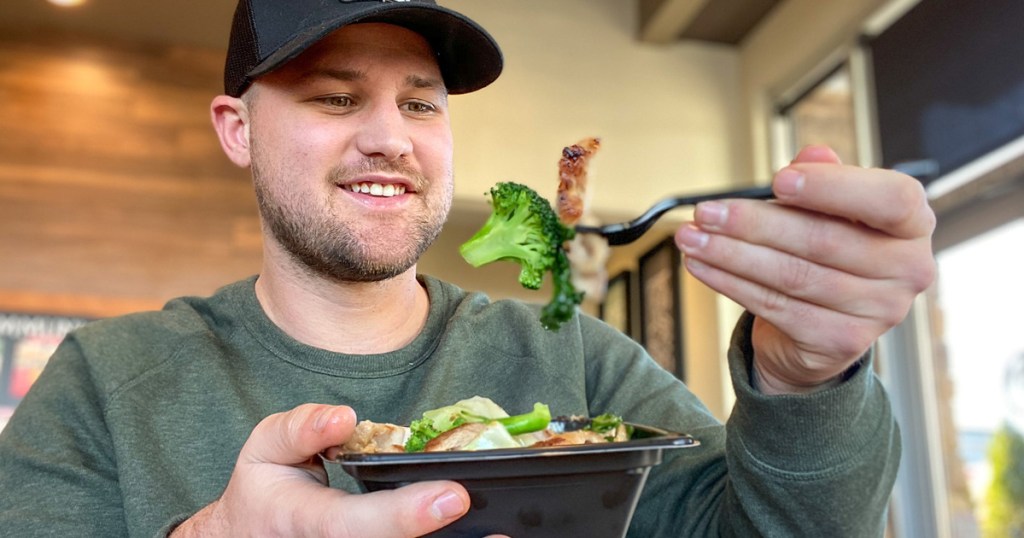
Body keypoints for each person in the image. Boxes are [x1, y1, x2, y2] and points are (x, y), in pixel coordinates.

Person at [0, 0, 936, 536]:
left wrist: (806, 377)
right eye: (335, 96)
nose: (388, 140)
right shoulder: (104, 382)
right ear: (236, 130)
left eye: (421, 105)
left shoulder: (578, 364)